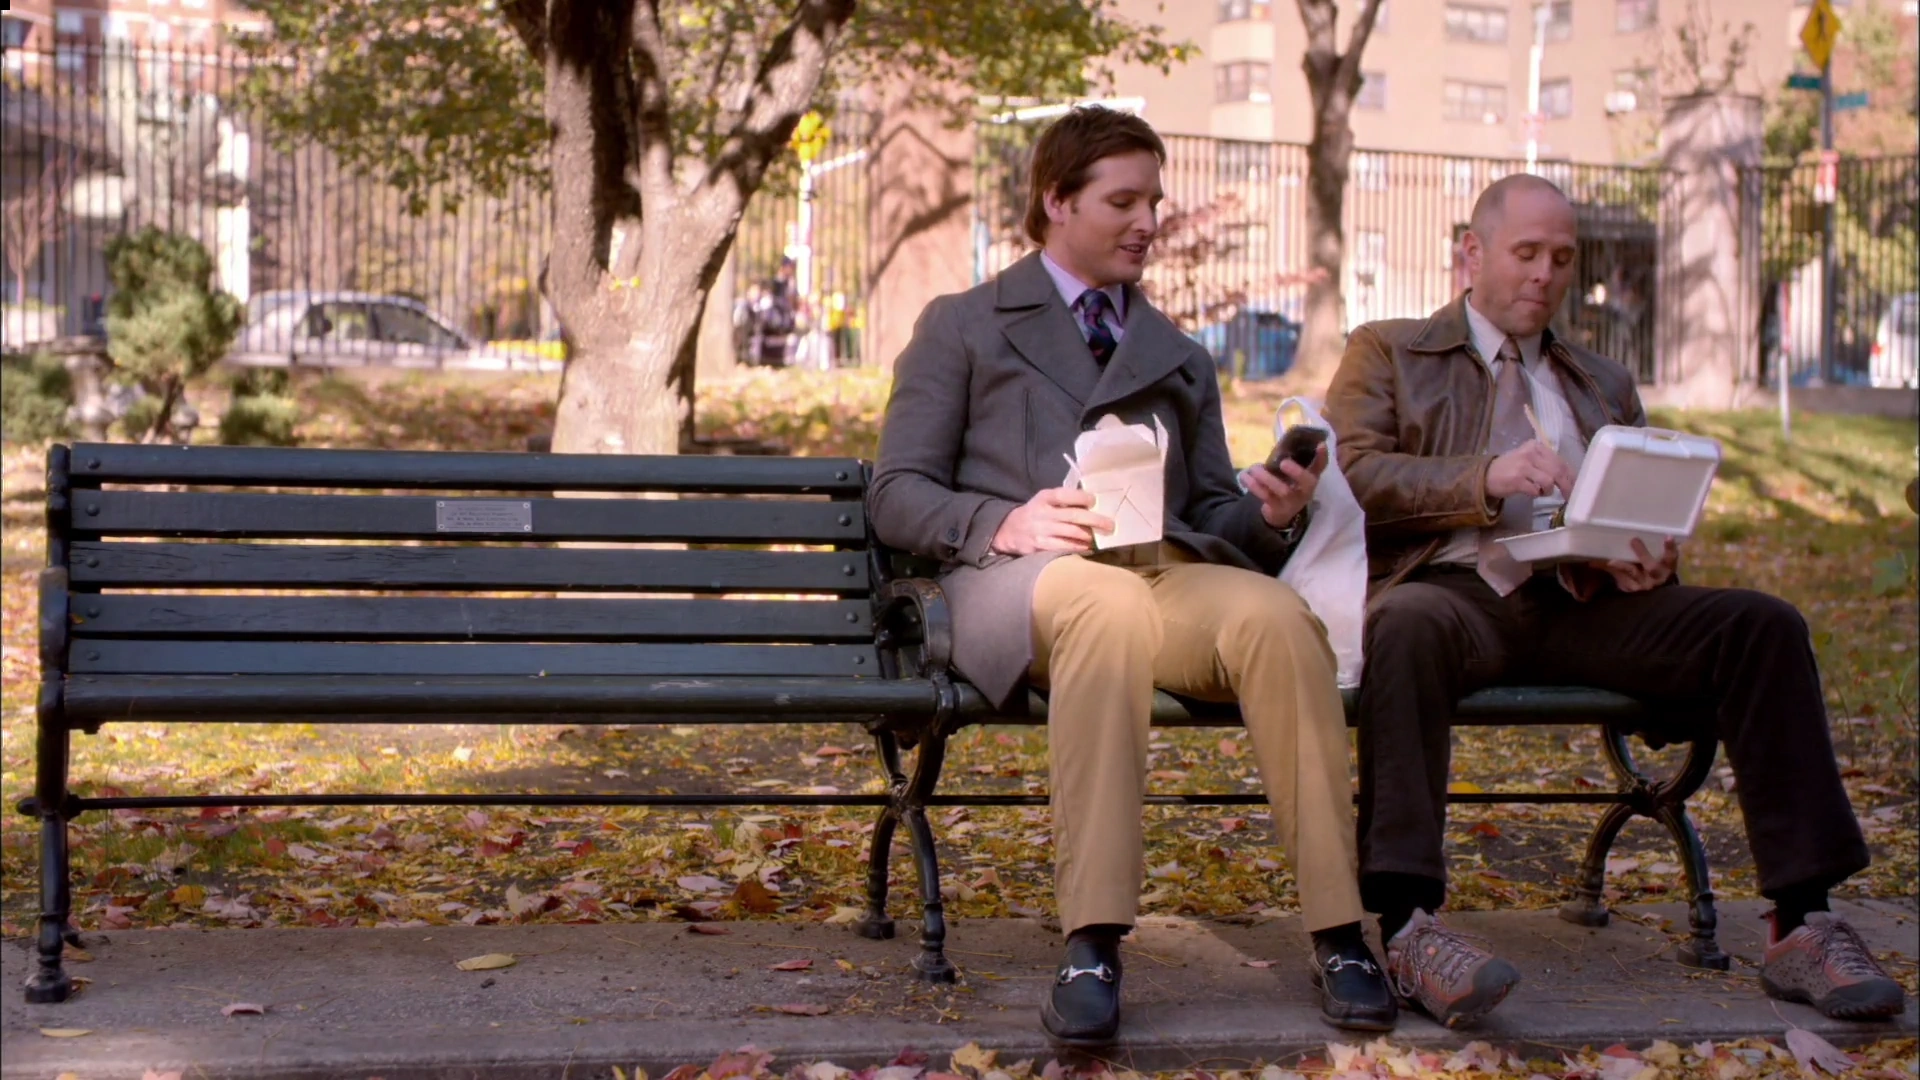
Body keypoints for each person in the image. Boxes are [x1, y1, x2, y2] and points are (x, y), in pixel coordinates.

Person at [1323, 173, 1906, 1030]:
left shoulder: (1600, 381)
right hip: (1450, 595)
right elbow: (1353, 472)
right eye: (1526, 253)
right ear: (1472, 253)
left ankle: (1803, 922)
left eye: (1562, 258)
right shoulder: (1389, 351)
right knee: (1404, 626)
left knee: (1762, 625)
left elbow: (1634, 500)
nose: (1545, 274)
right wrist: (1484, 476)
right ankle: (1409, 926)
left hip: (1581, 602)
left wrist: (1645, 557)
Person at [868, 106, 1395, 1046]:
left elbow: (1211, 513)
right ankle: (1093, 938)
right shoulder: (964, 325)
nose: (1148, 221)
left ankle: (1340, 929)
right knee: (1104, 606)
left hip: (1159, 571)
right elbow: (897, 491)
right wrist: (1004, 520)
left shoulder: (1177, 353)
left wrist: (1273, 512)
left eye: (1155, 200)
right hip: (1015, 582)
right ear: (1056, 201)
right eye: (1123, 201)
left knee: (1275, 618)